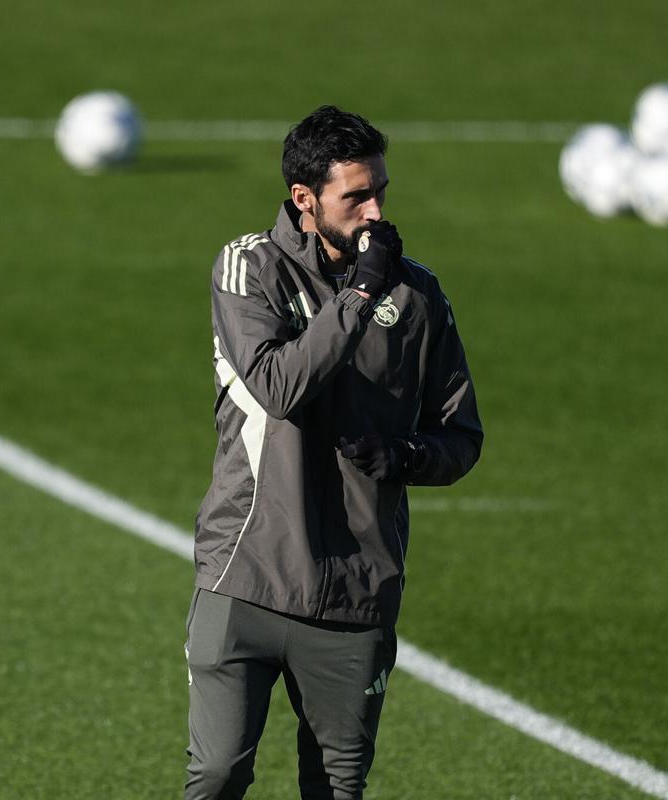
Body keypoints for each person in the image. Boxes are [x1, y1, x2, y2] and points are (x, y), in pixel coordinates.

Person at [186, 106, 483, 799]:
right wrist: (359, 293)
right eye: (357, 195)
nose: (377, 210)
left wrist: (407, 457)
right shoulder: (248, 267)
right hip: (248, 573)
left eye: (380, 189)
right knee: (218, 773)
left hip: (356, 590)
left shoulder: (419, 294)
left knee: (337, 786)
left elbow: (460, 434)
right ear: (305, 199)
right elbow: (279, 386)